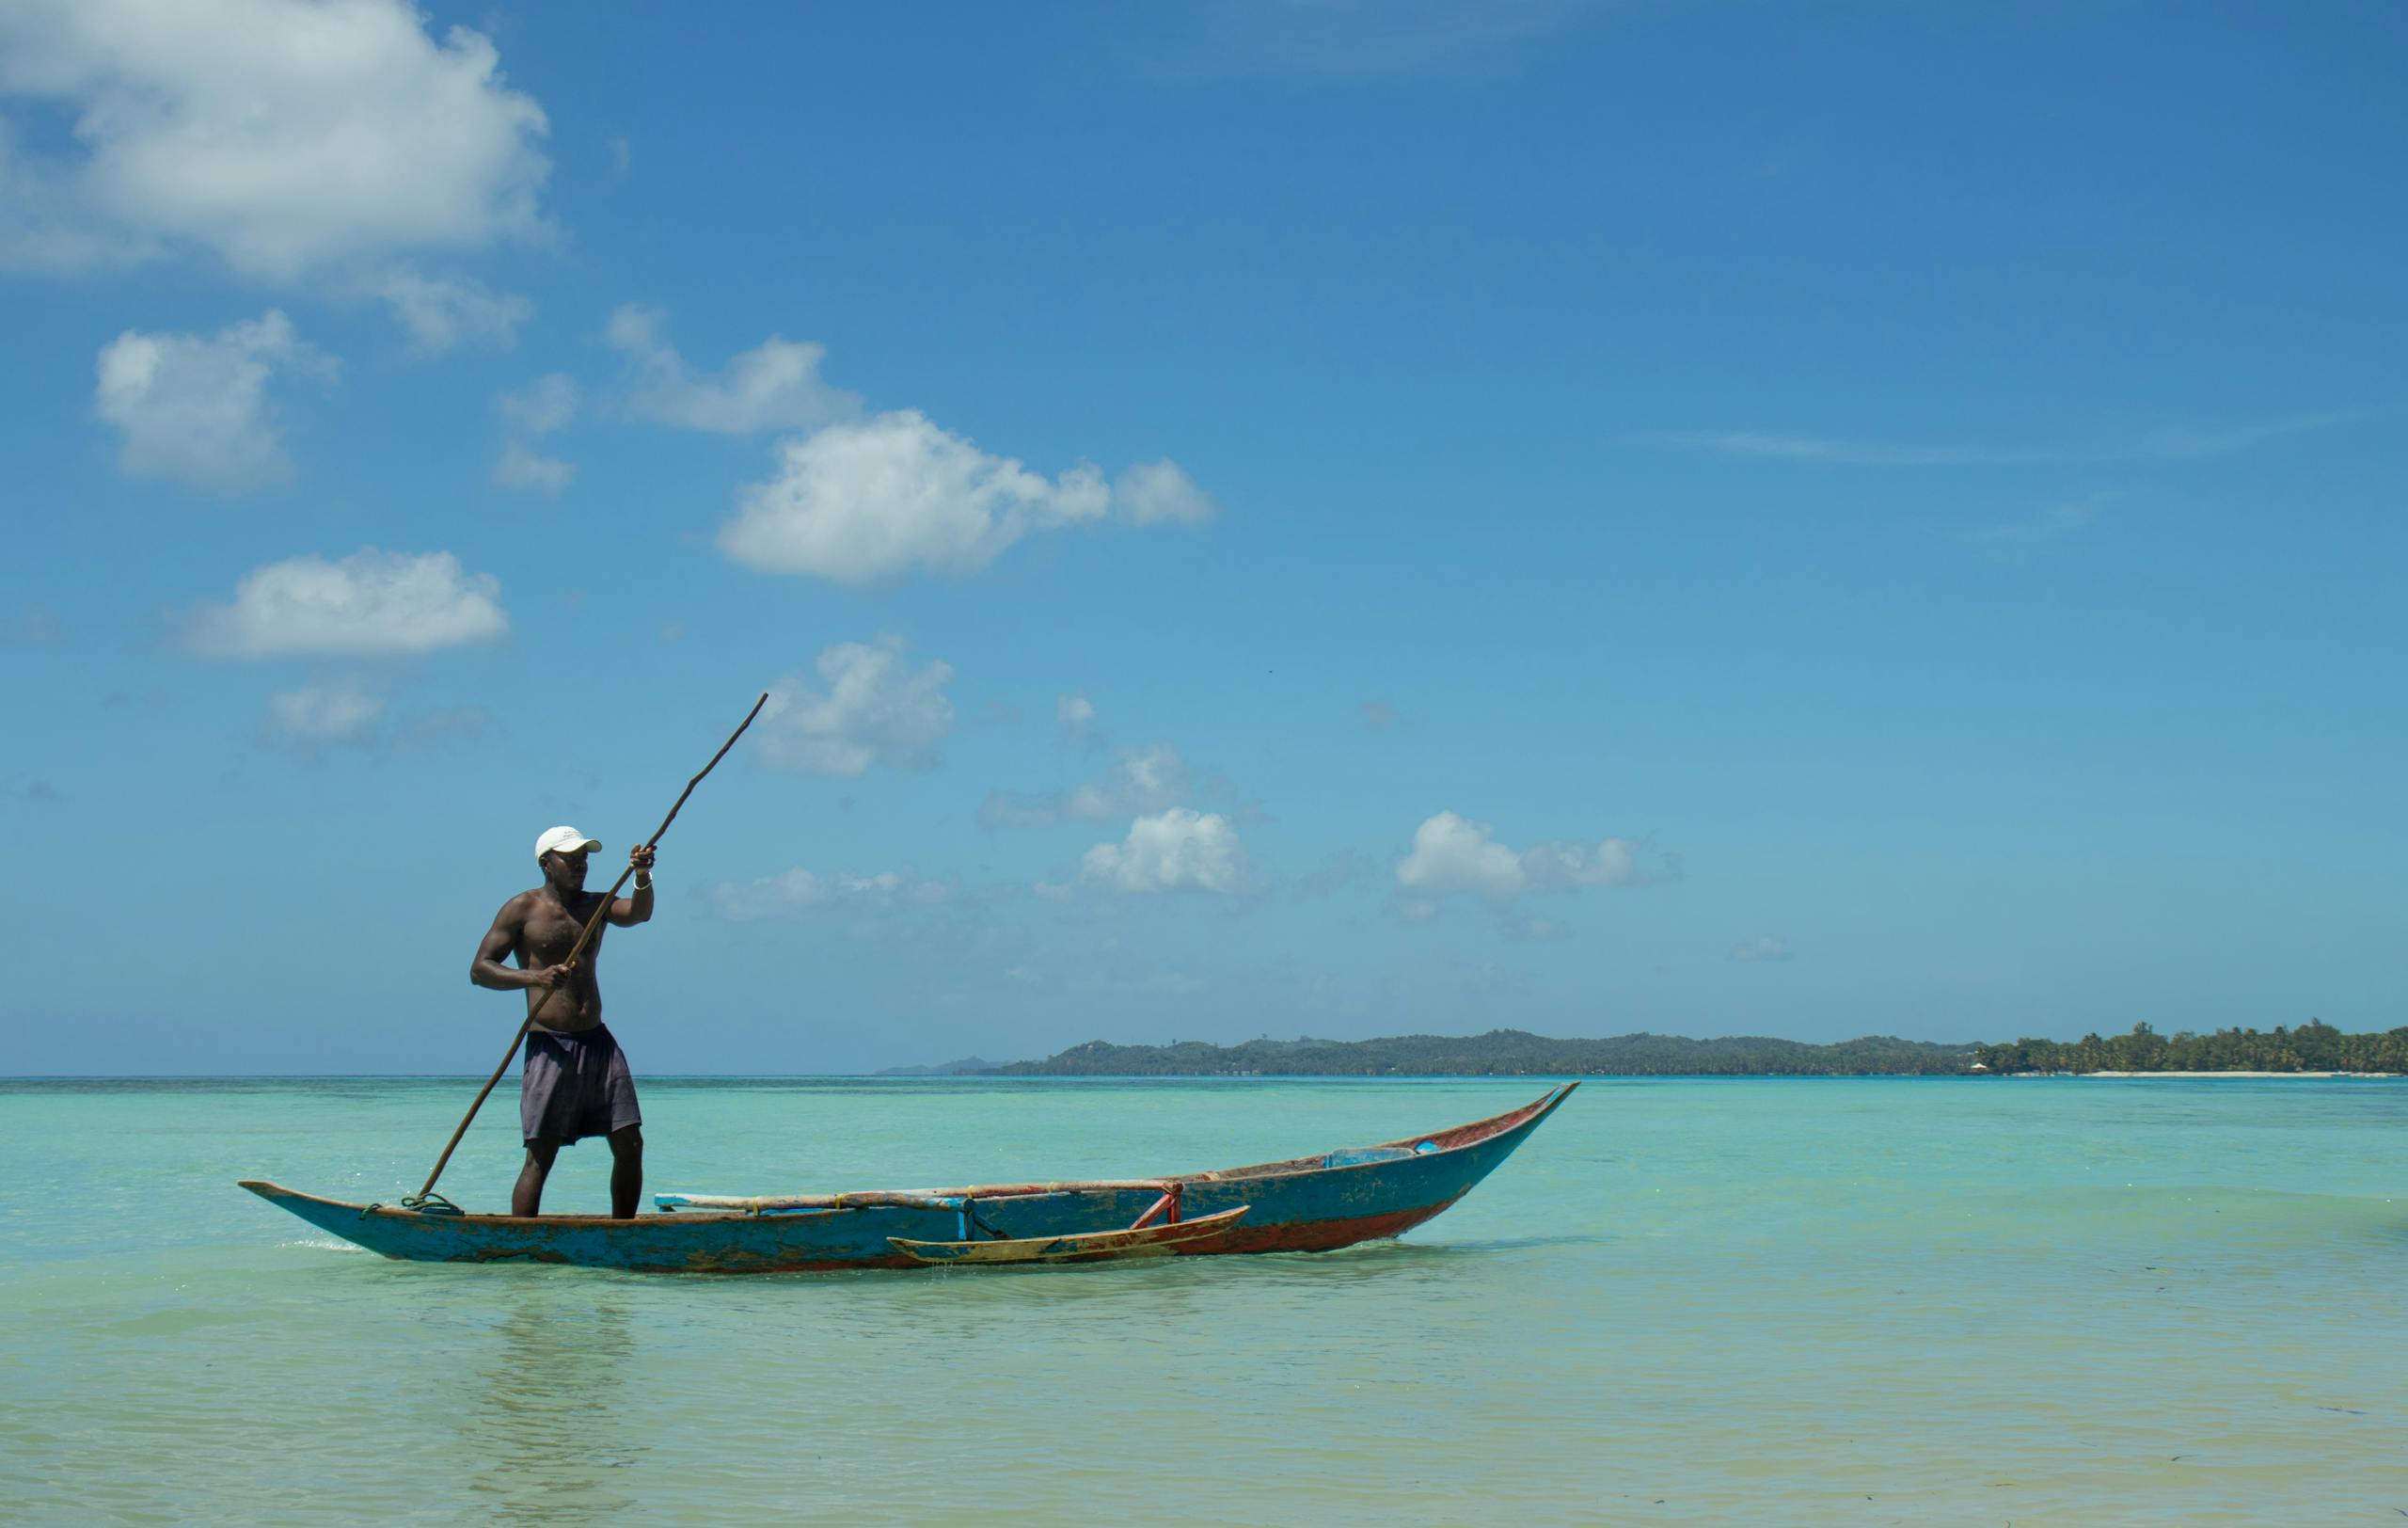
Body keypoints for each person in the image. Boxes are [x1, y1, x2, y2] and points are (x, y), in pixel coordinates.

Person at [470, 826, 657, 1218]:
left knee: (629, 1142)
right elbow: (481, 970)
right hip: (550, 1046)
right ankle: (521, 1248)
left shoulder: (597, 904)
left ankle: (622, 1234)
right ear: (545, 863)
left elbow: (639, 914)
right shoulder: (522, 908)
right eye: (570, 857)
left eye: (584, 857)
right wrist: (534, 978)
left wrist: (641, 876)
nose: (580, 864)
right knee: (542, 1153)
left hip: (598, 1043)